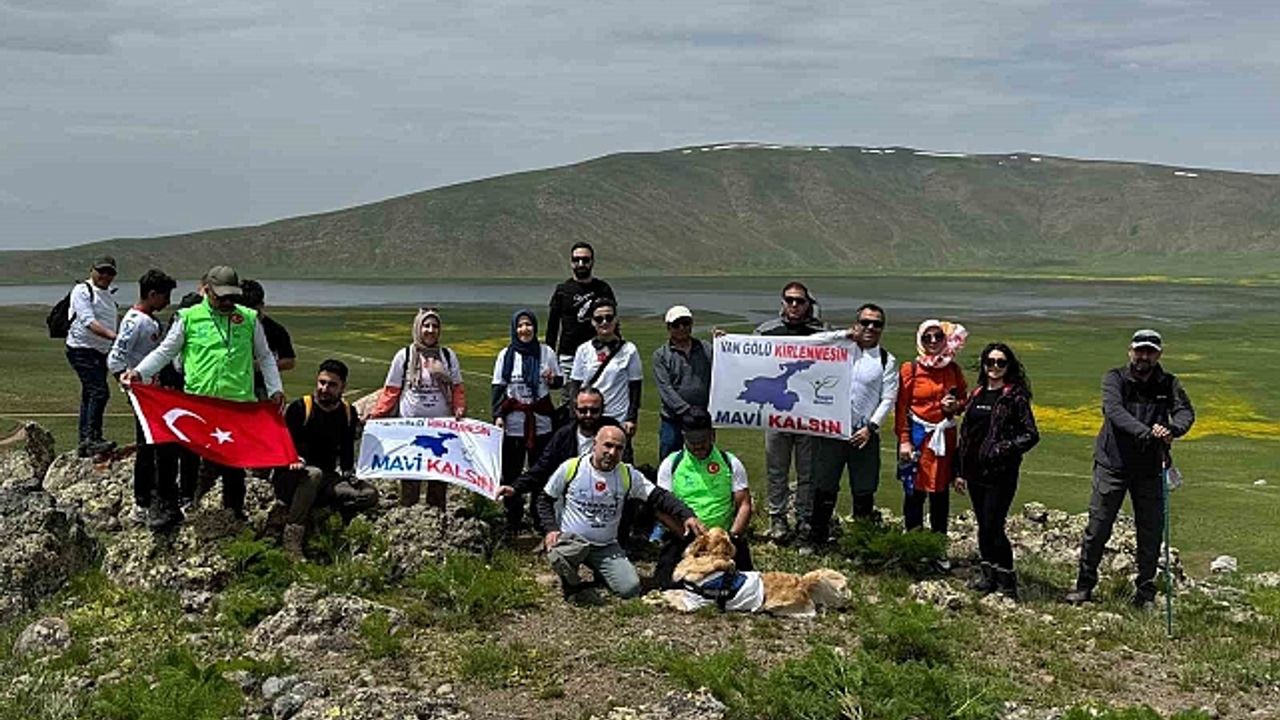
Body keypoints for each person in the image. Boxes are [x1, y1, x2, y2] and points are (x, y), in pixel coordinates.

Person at [124, 265, 285, 521]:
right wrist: (139, 373)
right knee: (184, 454)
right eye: (221, 297)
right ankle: (177, 503)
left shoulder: (249, 318)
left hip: (236, 405)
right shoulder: (188, 317)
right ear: (207, 291)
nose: (227, 302)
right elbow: (165, 351)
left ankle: (233, 513)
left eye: (232, 296)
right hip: (198, 403)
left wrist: (275, 388)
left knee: (233, 464)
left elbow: (265, 356)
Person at [1066, 330, 1195, 608]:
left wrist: (1172, 429)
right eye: (1140, 351)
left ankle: (1145, 592)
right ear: (1130, 352)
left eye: (1150, 352)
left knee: (1150, 532)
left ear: (1159, 354)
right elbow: (1114, 411)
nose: (1144, 356)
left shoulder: (1168, 383)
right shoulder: (1115, 378)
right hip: (1113, 465)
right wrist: (1148, 433)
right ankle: (1084, 586)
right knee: (1098, 527)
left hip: (1150, 469)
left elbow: (1185, 412)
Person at [537, 425, 706, 599]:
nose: (612, 452)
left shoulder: (628, 474)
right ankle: (573, 586)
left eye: (618, 448)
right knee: (559, 555)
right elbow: (544, 499)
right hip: (573, 541)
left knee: (630, 589)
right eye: (608, 445)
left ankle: (601, 572)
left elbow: (660, 497)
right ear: (595, 444)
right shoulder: (572, 467)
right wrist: (551, 529)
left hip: (605, 545)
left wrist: (687, 515)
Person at [809, 303, 899, 545]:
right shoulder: (838, 349)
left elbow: (888, 398)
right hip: (832, 431)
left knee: (864, 488)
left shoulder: (886, 360)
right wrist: (844, 334)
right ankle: (817, 538)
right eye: (865, 322)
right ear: (856, 323)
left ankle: (861, 542)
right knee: (825, 485)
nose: (870, 327)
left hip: (864, 433)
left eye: (876, 324)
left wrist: (871, 427)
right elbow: (810, 343)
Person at [955, 343, 1039, 600]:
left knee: (994, 525)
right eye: (990, 362)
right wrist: (959, 470)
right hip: (975, 471)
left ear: (1008, 366)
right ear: (983, 364)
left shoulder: (1014, 397)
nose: (994, 367)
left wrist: (1003, 448)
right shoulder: (977, 394)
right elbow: (967, 434)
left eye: (1001, 362)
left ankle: (1007, 581)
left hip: (1000, 473)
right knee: (983, 525)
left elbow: (1030, 434)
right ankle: (988, 575)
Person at [274, 359, 379, 558]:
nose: (324, 388)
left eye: (332, 385)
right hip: (293, 477)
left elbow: (347, 449)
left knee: (369, 494)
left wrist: (349, 474)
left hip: (327, 479)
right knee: (313, 474)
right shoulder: (299, 408)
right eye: (322, 382)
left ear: (342, 387)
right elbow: (281, 443)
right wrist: (293, 459)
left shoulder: (348, 413)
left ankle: (326, 515)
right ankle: (292, 536)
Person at [368, 308, 466, 509]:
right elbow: (392, 390)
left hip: (441, 427)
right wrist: (377, 416)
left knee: (439, 474)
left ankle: (436, 514)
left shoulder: (448, 356)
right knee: (410, 475)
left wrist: (459, 407)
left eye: (435, 326)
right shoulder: (404, 356)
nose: (430, 330)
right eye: (426, 325)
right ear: (417, 328)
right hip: (410, 428)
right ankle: (408, 513)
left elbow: (457, 387)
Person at [755, 281, 827, 541]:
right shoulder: (765, 332)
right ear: (782, 302)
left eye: (800, 300)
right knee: (777, 469)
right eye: (789, 300)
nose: (794, 305)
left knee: (808, 472)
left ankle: (804, 519)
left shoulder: (822, 333)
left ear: (809, 304)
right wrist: (726, 343)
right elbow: (745, 359)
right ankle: (778, 519)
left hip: (808, 416)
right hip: (776, 413)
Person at [107, 269, 179, 530]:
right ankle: (143, 500)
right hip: (144, 394)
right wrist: (130, 386)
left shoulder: (147, 320)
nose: (168, 301)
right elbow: (115, 358)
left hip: (154, 393)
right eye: (165, 296)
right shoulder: (136, 322)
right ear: (152, 294)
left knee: (153, 445)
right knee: (148, 446)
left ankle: (149, 497)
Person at [653, 410, 753, 588]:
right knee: (667, 584)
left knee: (745, 586)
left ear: (713, 435)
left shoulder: (730, 462)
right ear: (684, 436)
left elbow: (744, 504)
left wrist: (732, 536)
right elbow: (661, 509)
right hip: (685, 537)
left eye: (703, 441)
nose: (698, 447)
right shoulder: (671, 464)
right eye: (693, 442)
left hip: (724, 538)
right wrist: (684, 535)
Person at [499, 388, 621, 530]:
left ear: (602, 410)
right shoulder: (563, 436)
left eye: (594, 411)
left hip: (607, 504)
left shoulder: (614, 434)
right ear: (575, 410)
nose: (588, 415)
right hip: (572, 509)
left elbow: (626, 469)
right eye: (583, 410)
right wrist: (515, 487)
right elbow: (542, 467)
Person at [895, 319, 968, 546]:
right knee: (914, 492)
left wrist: (954, 406)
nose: (933, 341)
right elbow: (901, 407)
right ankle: (914, 544)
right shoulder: (911, 370)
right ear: (920, 340)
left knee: (940, 493)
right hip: (917, 438)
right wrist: (904, 440)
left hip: (944, 439)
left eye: (938, 336)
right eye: (928, 337)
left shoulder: (953, 369)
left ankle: (938, 546)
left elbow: (964, 399)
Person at [492, 309, 562, 533]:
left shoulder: (546, 352)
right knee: (511, 471)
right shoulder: (506, 355)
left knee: (541, 471)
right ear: (514, 329)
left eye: (528, 324)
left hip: (541, 422)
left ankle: (539, 516)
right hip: (514, 424)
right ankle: (513, 516)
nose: (525, 329)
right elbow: (499, 388)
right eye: (520, 325)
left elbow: (558, 381)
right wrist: (498, 416)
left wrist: (552, 379)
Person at [567, 298, 642, 457]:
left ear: (616, 320)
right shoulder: (583, 350)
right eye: (599, 319)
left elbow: (635, 388)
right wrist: (575, 417)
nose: (604, 322)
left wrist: (632, 418)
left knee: (620, 460)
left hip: (617, 417)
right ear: (592, 322)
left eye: (609, 317)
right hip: (590, 416)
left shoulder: (629, 350)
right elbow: (575, 386)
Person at [546, 242, 615, 405]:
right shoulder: (562, 290)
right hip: (568, 356)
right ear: (571, 262)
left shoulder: (603, 289)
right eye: (576, 260)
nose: (581, 264)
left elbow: (612, 322)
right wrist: (548, 360)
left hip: (598, 353)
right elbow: (552, 327)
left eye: (585, 260)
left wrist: (616, 350)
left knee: (598, 400)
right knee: (570, 402)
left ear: (592, 262)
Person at [65, 256, 120, 457]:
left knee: (90, 394)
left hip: (100, 351)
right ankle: (92, 438)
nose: (105, 275)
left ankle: (85, 441)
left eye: (110, 272)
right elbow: (88, 321)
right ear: (92, 270)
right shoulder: (82, 290)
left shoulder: (107, 295)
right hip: (82, 348)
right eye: (101, 271)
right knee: (99, 392)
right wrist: (114, 337)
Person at [652, 305, 713, 463]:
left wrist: (723, 340)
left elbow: (725, 363)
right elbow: (665, 388)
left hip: (702, 419)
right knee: (670, 459)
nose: (682, 328)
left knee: (703, 458)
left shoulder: (706, 349)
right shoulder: (661, 355)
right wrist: (686, 410)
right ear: (669, 327)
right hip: (672, 419)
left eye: (685, 323)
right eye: (676, 325)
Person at [239, 280, 297, 400]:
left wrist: (260, 366)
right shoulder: (234, 326)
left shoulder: (276, 330)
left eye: (252, 309)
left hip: (262, 387)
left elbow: (289, 361)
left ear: (261, 305)